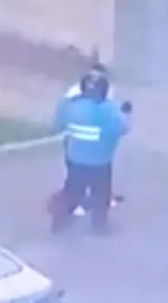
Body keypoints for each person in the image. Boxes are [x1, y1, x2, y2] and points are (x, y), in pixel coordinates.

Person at [53, 74, 130, 234]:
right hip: (100, 163)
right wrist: (125, 113)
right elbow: (123, 128)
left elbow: (59, 122)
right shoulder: (109, 109)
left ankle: (60, 225)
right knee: (101, 195)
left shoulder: (70, 106)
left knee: (71, 192)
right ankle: (99, 228)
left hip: (75, 160)